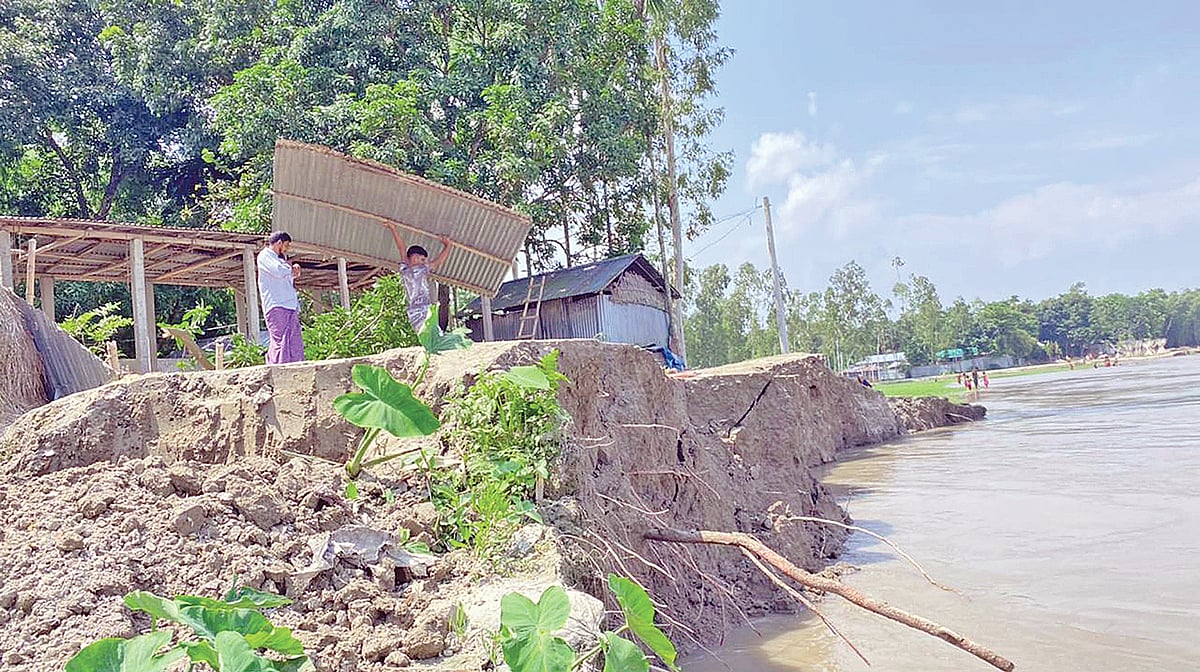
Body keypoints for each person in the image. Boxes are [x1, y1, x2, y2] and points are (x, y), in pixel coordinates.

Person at [388, 226, 453, 332]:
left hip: (424, 308)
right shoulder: (406, 267)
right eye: (422, 259)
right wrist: (393, 229)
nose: (424, 262)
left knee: (428, 331)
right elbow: (401, 248)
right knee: (422, 333)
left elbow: (437, 262)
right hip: (413, 309)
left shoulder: (421, 268)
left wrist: (448, 246)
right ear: (415, 257)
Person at [257, 231, 305, 364]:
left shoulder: (281, 259)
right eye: (286, 245)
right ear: (279, 243)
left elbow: (286, 275)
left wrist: (293, 271)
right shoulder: (265, 255)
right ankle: (277, 368)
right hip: (276, 304)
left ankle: (297, 366)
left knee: (294, 339)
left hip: (290, 304)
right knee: (281, 340)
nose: (287, 249)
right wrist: (290, 267)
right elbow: (278, 271)